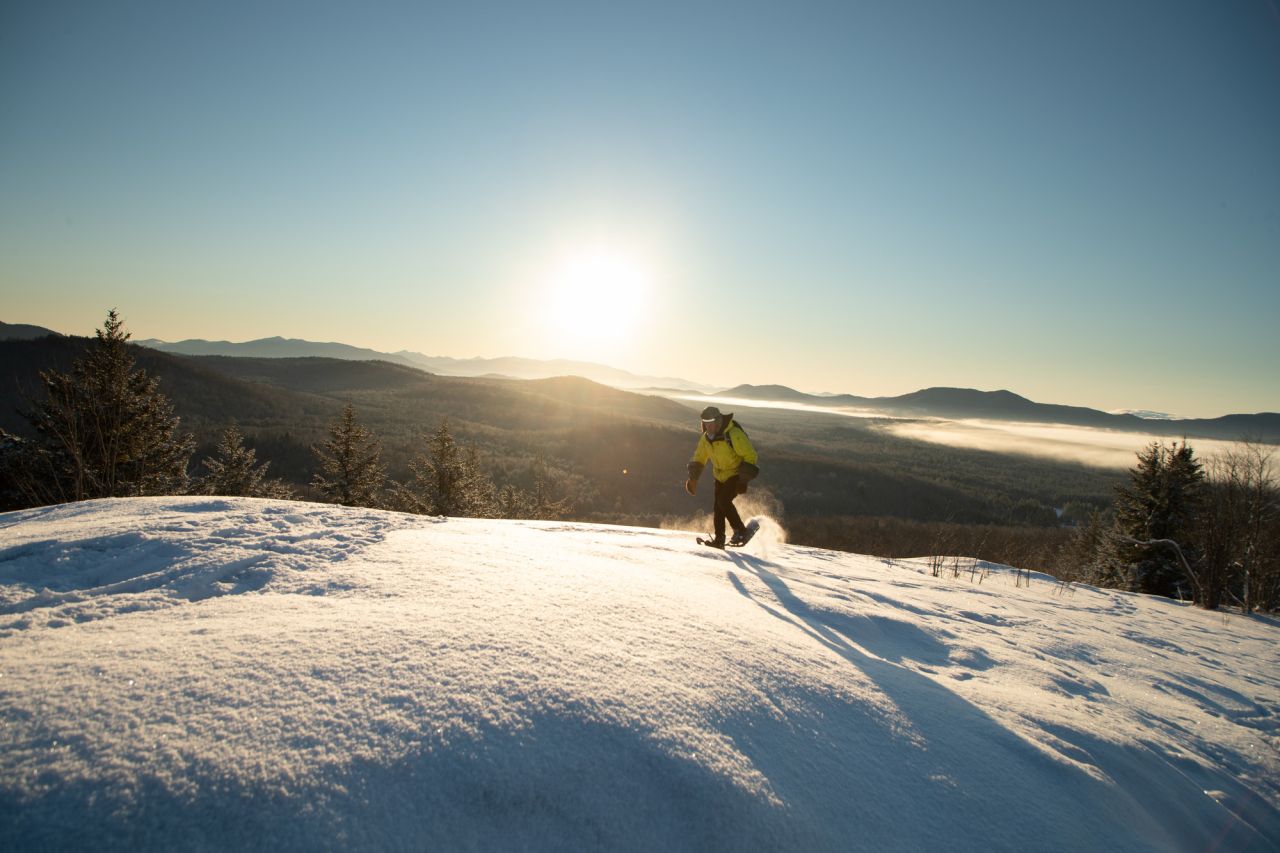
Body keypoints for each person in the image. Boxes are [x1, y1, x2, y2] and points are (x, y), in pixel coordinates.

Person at [685, 406, 759, 548]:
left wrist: (743, 480)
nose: (708, 425)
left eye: (711, 422)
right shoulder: (706, 438)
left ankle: (742, 531)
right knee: (718, 507)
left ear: (718, 421)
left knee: (723, 501)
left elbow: (751, 455)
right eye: (705, 422)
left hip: (736, 473)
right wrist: (693, 479)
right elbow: (700, 457)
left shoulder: (733, 433)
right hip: (720, 475)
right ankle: (719, 540)